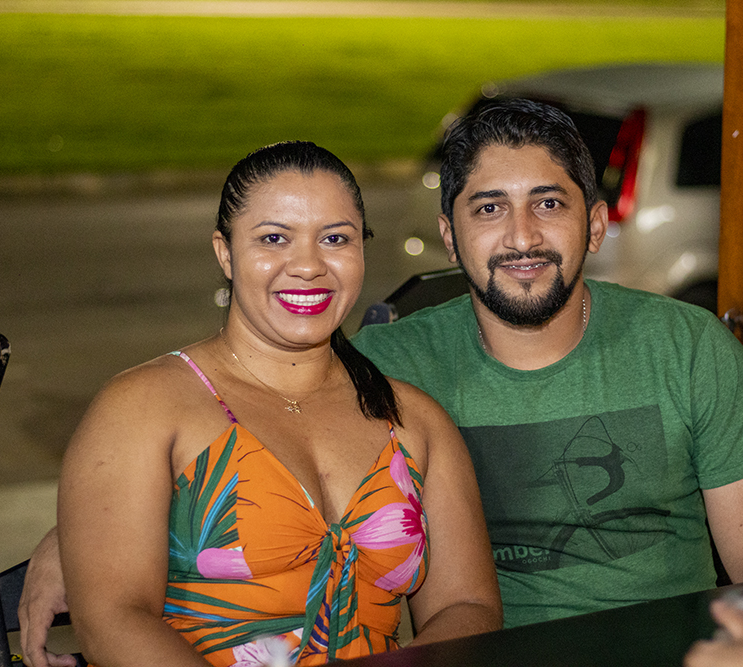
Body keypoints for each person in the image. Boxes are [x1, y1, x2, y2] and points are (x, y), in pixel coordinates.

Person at [21, 100, 743, 664]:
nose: (521, 236)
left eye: (549, 204)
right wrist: (79, 535)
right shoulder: (388, 367)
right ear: (449, 235)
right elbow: (247, 423)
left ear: (595, 223)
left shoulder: (687, 349)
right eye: (489, 208)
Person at [44, 141, 501, 667]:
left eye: (335, 238)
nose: (307, 266)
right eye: (274, 238)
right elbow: (113, 620)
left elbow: (467, 606)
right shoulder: (144, 408)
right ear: (225, 253)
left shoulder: (414, 421)